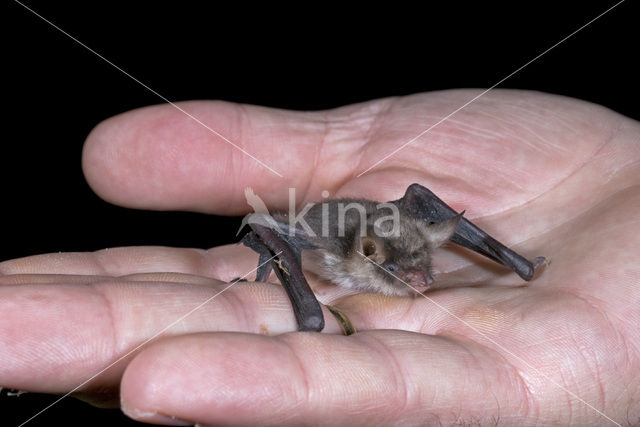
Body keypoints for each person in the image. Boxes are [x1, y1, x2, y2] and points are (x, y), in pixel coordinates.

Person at [1, 90, 637, 425]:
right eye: (406, 275)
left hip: (380, 223)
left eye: (423, 269)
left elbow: (421, 206)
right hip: (310, 233)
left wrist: (507, 258)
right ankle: (296, 299)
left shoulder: (411, 230)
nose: (420, 282)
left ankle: (516, 264)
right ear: (369, 262)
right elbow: (270, 226)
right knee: (272, 238)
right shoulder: (336, 251)